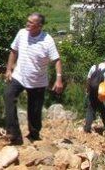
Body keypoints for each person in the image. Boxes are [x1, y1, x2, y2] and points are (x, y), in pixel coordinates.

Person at [4, 13, 63, 145]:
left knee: (34, 112)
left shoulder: (47, 41)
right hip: (19, 76)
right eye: (27, 21)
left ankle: (34, 135)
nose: (27, 24)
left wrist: (58, 79)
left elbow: (57, 60)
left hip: (38, 81)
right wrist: (9, 69)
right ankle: (14, 134)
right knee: (8, 95)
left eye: (31, 23)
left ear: (39, 26)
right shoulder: (21, 33)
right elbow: (13, 51)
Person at [83, 56, 105, 133]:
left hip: (92, 91)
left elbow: (88, 79)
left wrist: (87, 90)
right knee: (103, 109)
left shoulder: (94, 67)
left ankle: (87, 128)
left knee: (91, 108)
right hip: (101, 93)